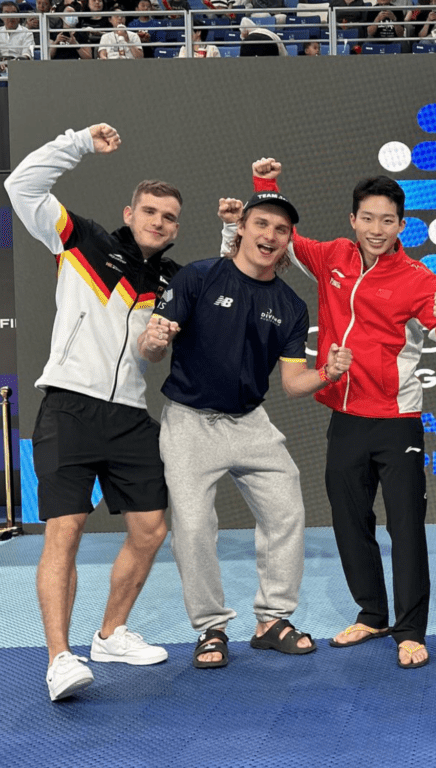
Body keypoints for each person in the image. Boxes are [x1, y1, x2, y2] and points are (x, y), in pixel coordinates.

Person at [249, 159, 436, 670]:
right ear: (353, 220)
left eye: (387, 221)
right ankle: (372, 614)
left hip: (397, 420)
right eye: (368, 219)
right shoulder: (332, 258)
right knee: (350, 522)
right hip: (344, 417)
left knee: (407, 527)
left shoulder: (417, 277)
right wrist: (265, 186)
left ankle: (411, 630)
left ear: (401, 226)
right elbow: (286, 238)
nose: (376, 229)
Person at [5, 124, 181, 701]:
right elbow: (22, 185)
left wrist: (232, 229)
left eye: (169, 216)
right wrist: (77, 143)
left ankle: (110, 633)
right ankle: (59, 658)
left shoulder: (172, 282)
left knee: (152, 529)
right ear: (129, 213)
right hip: (69, 407)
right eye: (149, 211)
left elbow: (230, 283)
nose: (158, 221)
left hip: (130, 415)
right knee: (66, 530)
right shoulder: (81, 241)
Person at [138, 192, 347, 669]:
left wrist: (328, 373)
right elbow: (155, 346)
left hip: (251, 423)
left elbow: (294, 384)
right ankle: (211, 628)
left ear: (289, 240)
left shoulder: (291, 306)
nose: (270, 236)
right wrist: (152, 341)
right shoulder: (198, 276)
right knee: (192, 527)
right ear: (243, 229)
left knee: (287, 509)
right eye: (262, 225)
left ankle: (272, 620)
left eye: (280, 230)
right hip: (190, 421)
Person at [0, 0, 34, 68]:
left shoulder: (27, 32)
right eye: (6, 13)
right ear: (1, 17)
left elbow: (27, 55)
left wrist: (14, 63)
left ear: (18, 16)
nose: (11, 17)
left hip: (19, 68)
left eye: (13, 13)